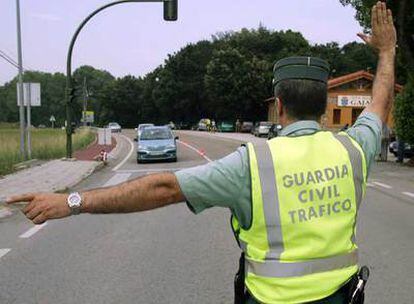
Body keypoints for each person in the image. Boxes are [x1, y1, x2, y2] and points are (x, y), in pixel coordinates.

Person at [7, 3, 396, 303]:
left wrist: (71, 201)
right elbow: (378, 103)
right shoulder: (353, 149)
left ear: (278, 104)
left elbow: (161, 188)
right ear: (323, 106)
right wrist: (387, 51)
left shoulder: (253, 164)